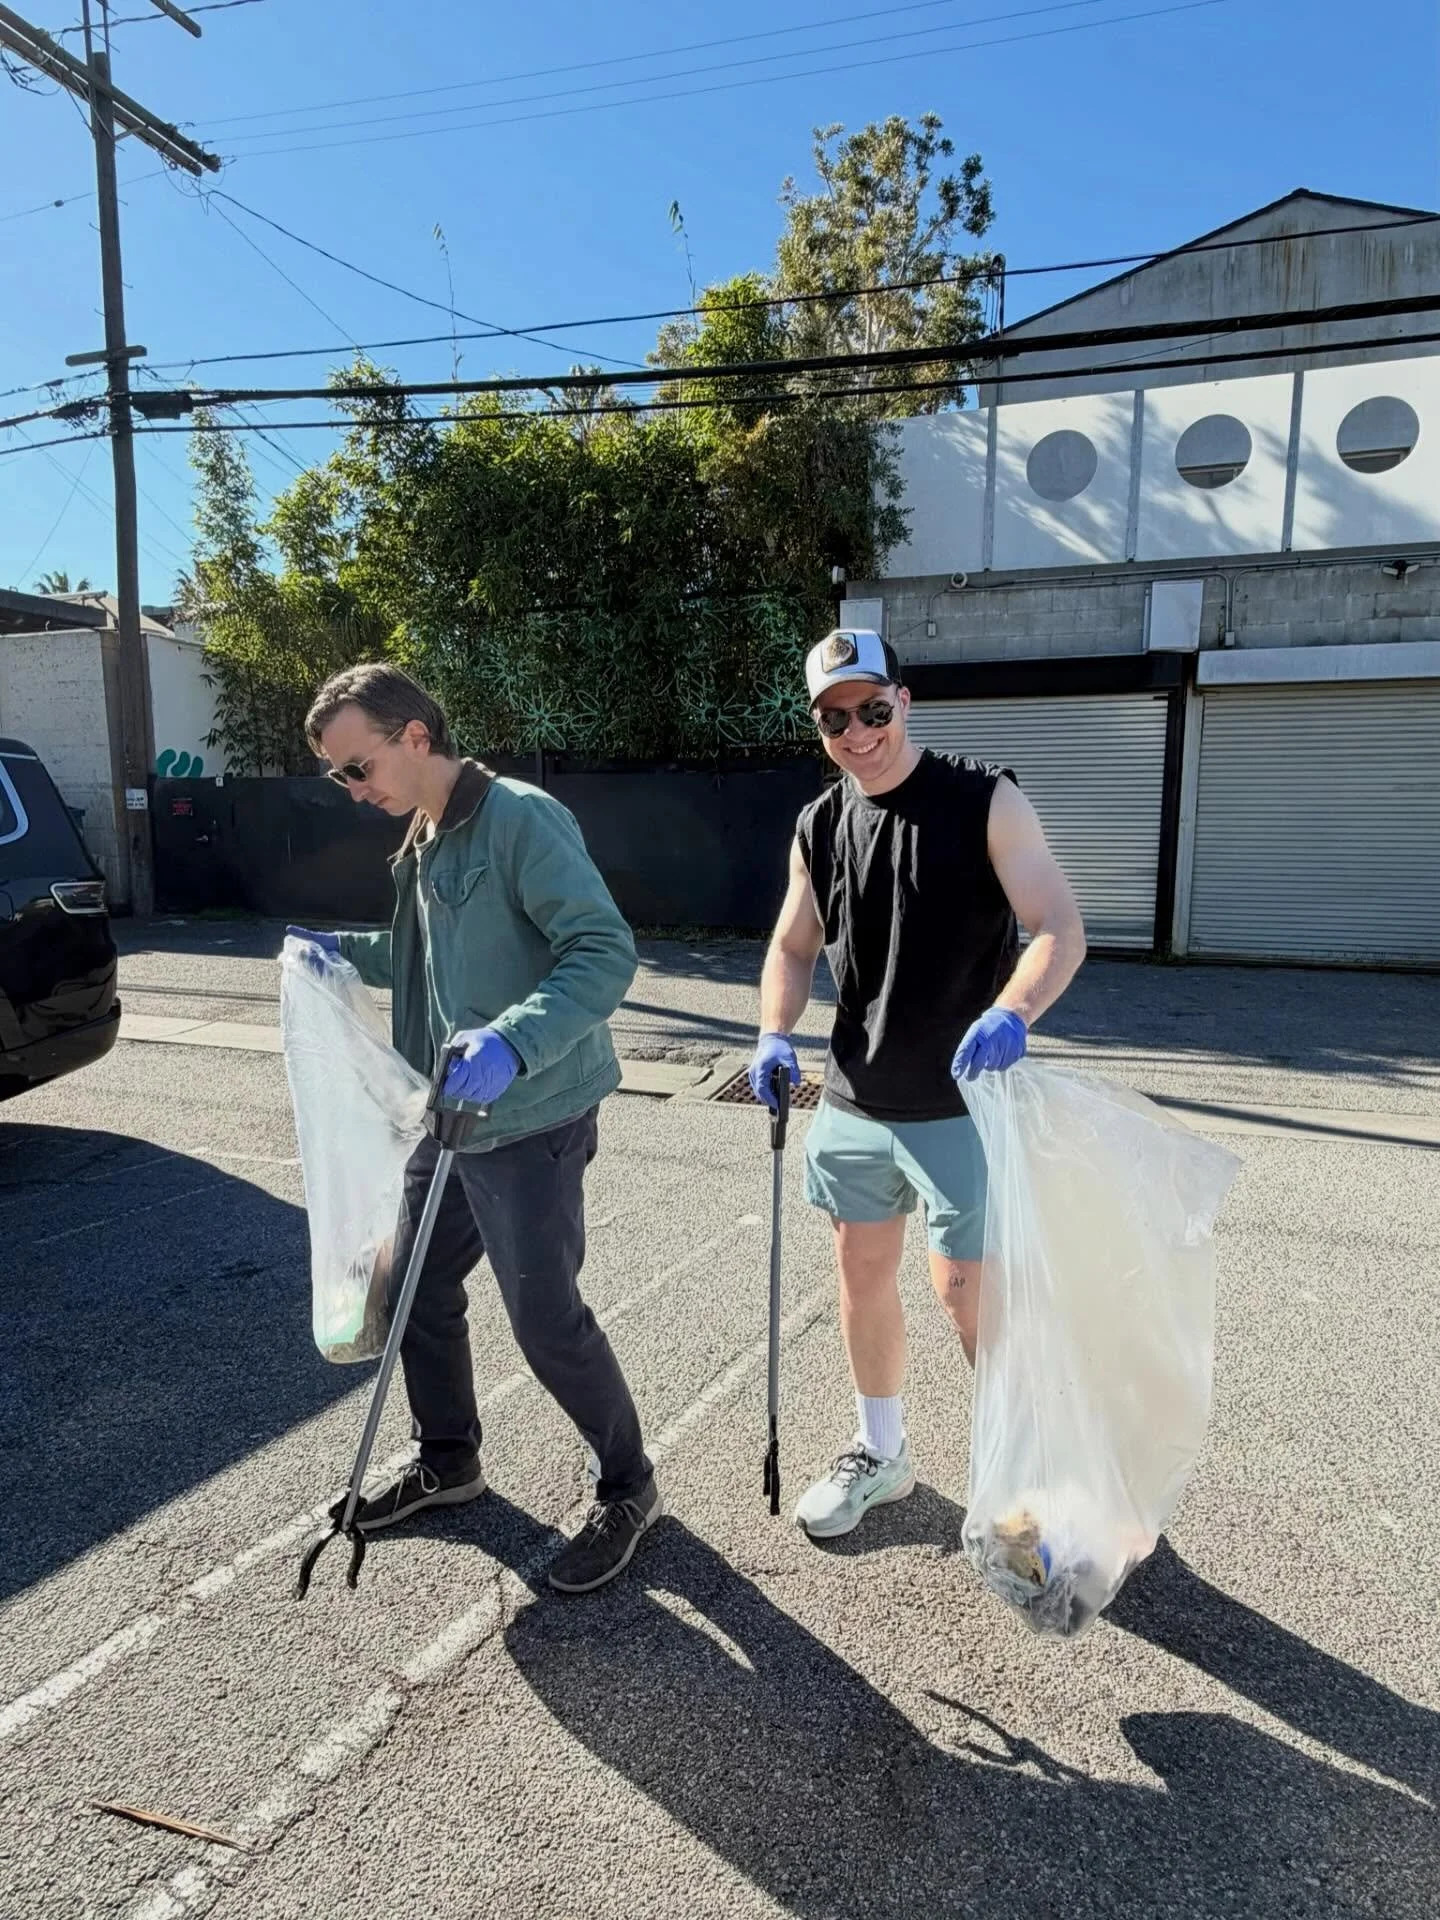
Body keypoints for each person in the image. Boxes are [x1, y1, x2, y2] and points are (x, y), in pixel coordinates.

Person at [287, 663, 661, 1594]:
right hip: (447, 1116)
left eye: (358, 767)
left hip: (531, 1115)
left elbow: (603, 951)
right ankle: (449, 1462)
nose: (353, 789)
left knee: (545, 1320)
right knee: (412, 1287)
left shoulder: (520, 820)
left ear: (416, 736)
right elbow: (426, 960)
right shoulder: (422, 836)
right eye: (339, 776)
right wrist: (341, 953)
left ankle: (630, 1486)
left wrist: (512, 1041)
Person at [748, 628, 1086, 1540]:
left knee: (969, 1294)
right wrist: (773, 1032)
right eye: (833, 720)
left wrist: (1014, 1012)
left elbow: (1059, 926)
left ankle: (1035, 1471)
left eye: (872, 709)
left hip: (962, 1103)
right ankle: (882, 1452)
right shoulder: (820, 825)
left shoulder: (986, 800)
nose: (856, 732)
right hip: (856, 1099)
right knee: (861, 1274)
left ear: (904, 700)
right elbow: (792, 946)